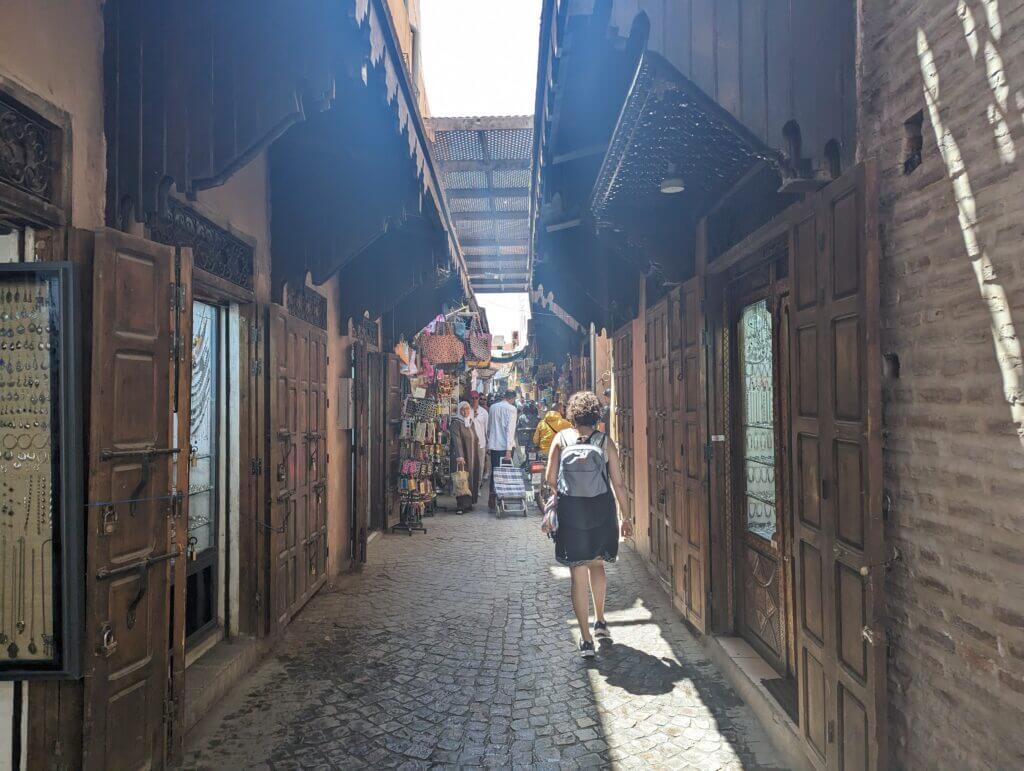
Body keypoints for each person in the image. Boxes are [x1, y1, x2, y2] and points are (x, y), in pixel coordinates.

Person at [542, 390, 633, 658]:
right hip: (600, 511)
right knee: (597, 565)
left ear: (572, 415)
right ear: (595, 415)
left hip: (572, 513)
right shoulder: (605, 442)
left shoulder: (561, 438)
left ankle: (584, 640)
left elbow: (550, 479)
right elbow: (618, 482)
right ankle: (601, 621)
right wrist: (626, 517)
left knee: (577, 573)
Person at [485, 388, 518, 512]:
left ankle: (492, 499)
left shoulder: (493, 407)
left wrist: (489, 443)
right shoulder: (512, 409)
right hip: (505, 447)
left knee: (495, 472)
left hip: (494, 445)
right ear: (512, 398)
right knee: (505, 473)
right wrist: (509, 450)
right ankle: (502, 499)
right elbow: (510, 430)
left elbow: (489, 427)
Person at [449, 401, 479, 514]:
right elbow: (457, 440)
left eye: (467, 409)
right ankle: (461, 505)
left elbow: (475, 438)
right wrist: (459, 456)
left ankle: (469, 503)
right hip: (462, 457)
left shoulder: (471, 422)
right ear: (459, 411)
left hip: (472, 456)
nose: (465, 411)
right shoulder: (456, 423)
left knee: (471, 478)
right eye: (462, 409)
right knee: (462, 480)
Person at [467, 390, 488, 501]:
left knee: (479, 468)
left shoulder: (484, 412)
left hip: (481, 444)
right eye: (473, 398)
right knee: (470, 467)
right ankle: (469, 488)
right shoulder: (466, 410)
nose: (475, 400)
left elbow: (487, 429)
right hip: (469, 445)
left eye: (476, 398)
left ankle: (478, 487)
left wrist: (487, 444)